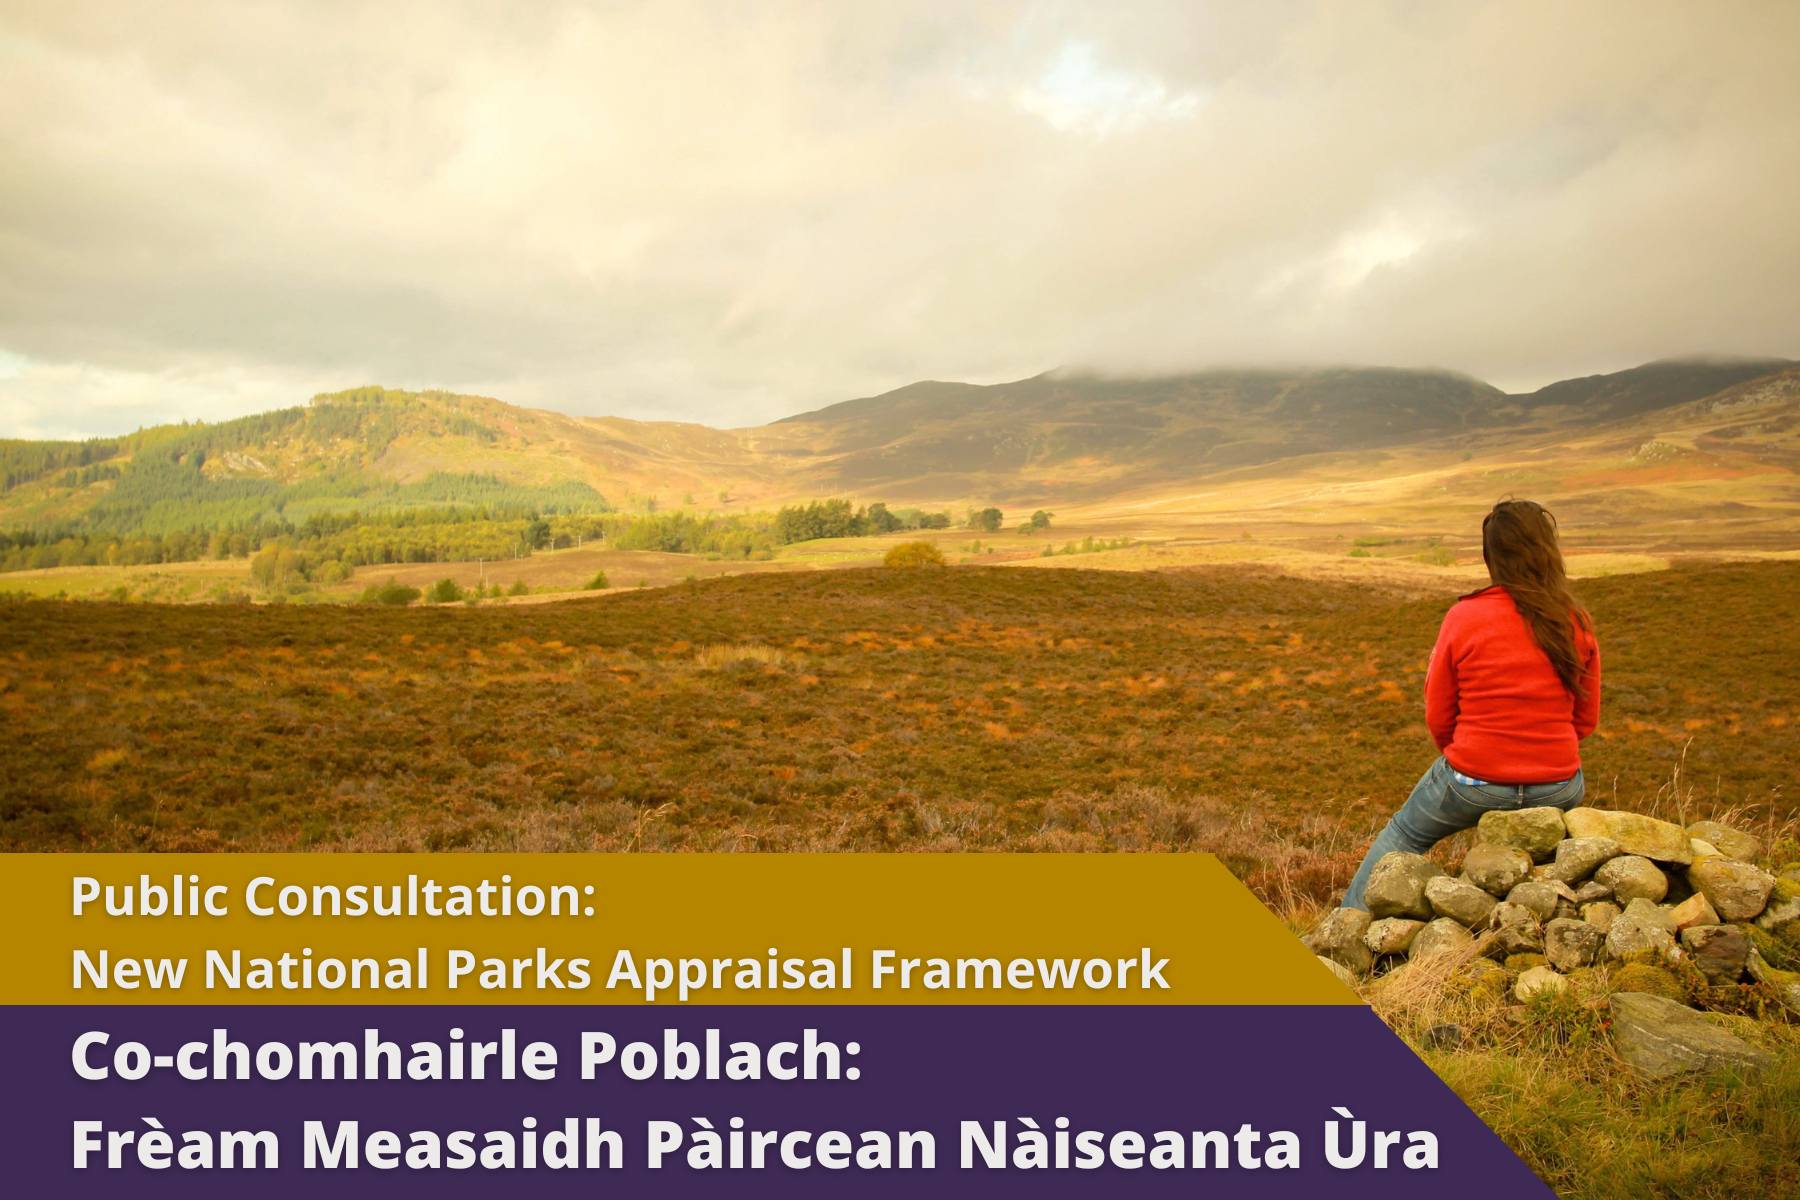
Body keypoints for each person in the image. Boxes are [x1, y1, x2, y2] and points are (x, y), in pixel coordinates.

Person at [1340, 499, 1601, 910]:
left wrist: (1470, 758)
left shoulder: (1465, 617)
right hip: (1559, 785)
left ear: (1491, 556)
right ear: (1548, 550)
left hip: (1472, 781)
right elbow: (1585, 720)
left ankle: (1344, 930)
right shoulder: (1574, 620)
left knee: (1404, 836)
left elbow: (1439, 713)